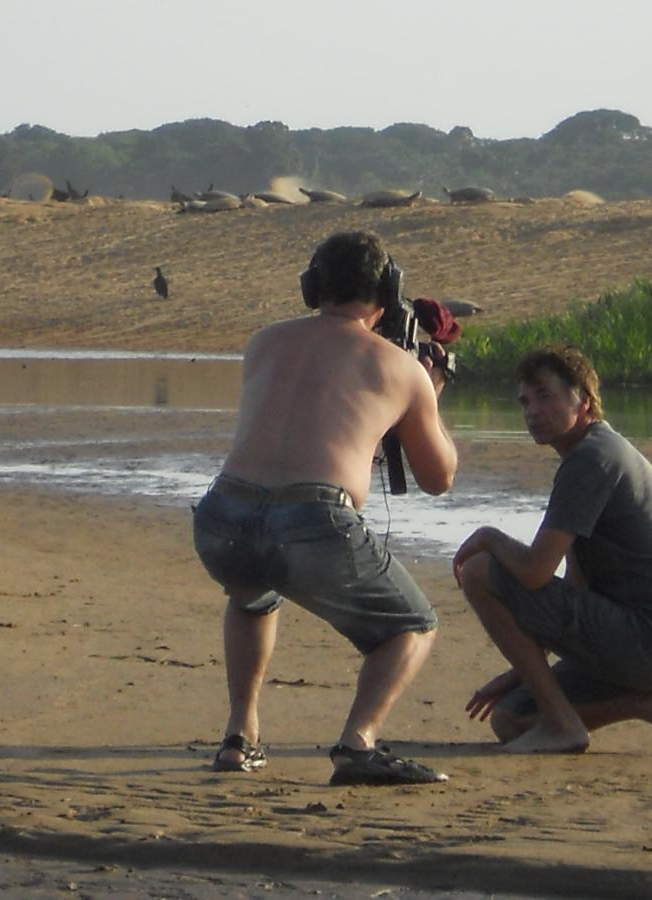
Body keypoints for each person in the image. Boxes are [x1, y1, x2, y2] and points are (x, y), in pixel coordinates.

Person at [192, 231, 458, 786]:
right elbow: (439, 478)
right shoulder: (401, 367)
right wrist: (427, 390)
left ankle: (240, 738)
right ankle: (358, 743)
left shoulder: (263, 342)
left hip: (222, 515)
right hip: (314, 521)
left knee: (251, 596)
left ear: (312, 286)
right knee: (412, 625)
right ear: (387, 291)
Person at [453, 344, 652, 754]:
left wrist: (488, 535)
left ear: (584, 402)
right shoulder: (590, 454)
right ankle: (648, 700)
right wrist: (519, 673)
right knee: (511, 718)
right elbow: (575, 591)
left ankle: (562, 724)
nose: (532, 411)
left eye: (545, 396)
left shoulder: (592, 459)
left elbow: (536, 572)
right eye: (525, 401)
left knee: (481, 570)